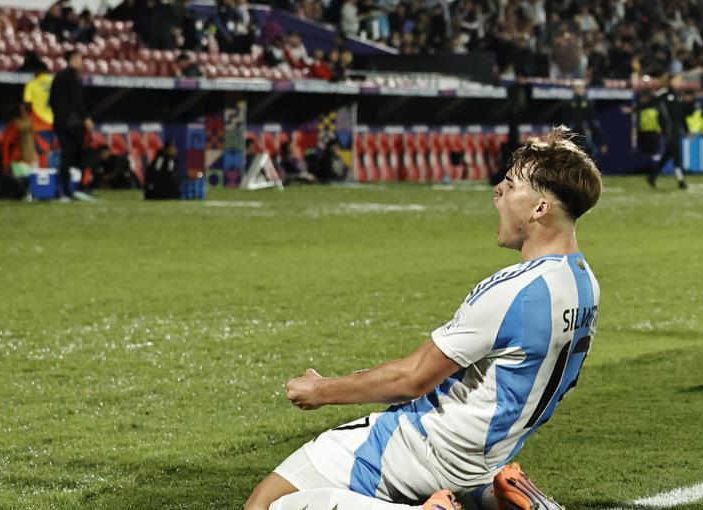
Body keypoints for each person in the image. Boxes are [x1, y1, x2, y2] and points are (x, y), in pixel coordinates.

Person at [243, 128, 601, 510]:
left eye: (511, 185)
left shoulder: (513, 292)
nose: (497, 189)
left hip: (425, 448)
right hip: (485, 453)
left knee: (265, 504)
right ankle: (495, 496)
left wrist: (320, 390)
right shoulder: (585, 284)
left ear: (540, 208)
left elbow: (412, 378)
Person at [48, 50, 98, 203]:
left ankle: (66, 192)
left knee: (66, 156)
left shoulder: (57, 77)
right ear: (74, 59)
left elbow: (52, 101)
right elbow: (77, 100)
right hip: (74, 123)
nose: (82, 62)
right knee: (84, 155)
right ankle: (82, 187)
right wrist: (86, 118)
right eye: (81, 59)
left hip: (59, 123)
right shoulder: (73, 76)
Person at [555, 81, 601, 159]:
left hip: (585, 130)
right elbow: (565, 119)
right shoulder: (569, 103)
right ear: (573, 89)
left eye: (580, 88)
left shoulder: (589, 102)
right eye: (576, 88)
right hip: (572, 130)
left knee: (588, 150)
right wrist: (564, 131)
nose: (578, 90)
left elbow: (592, 119)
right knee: (570, 152)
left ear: (584, 89)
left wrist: (592, 130)